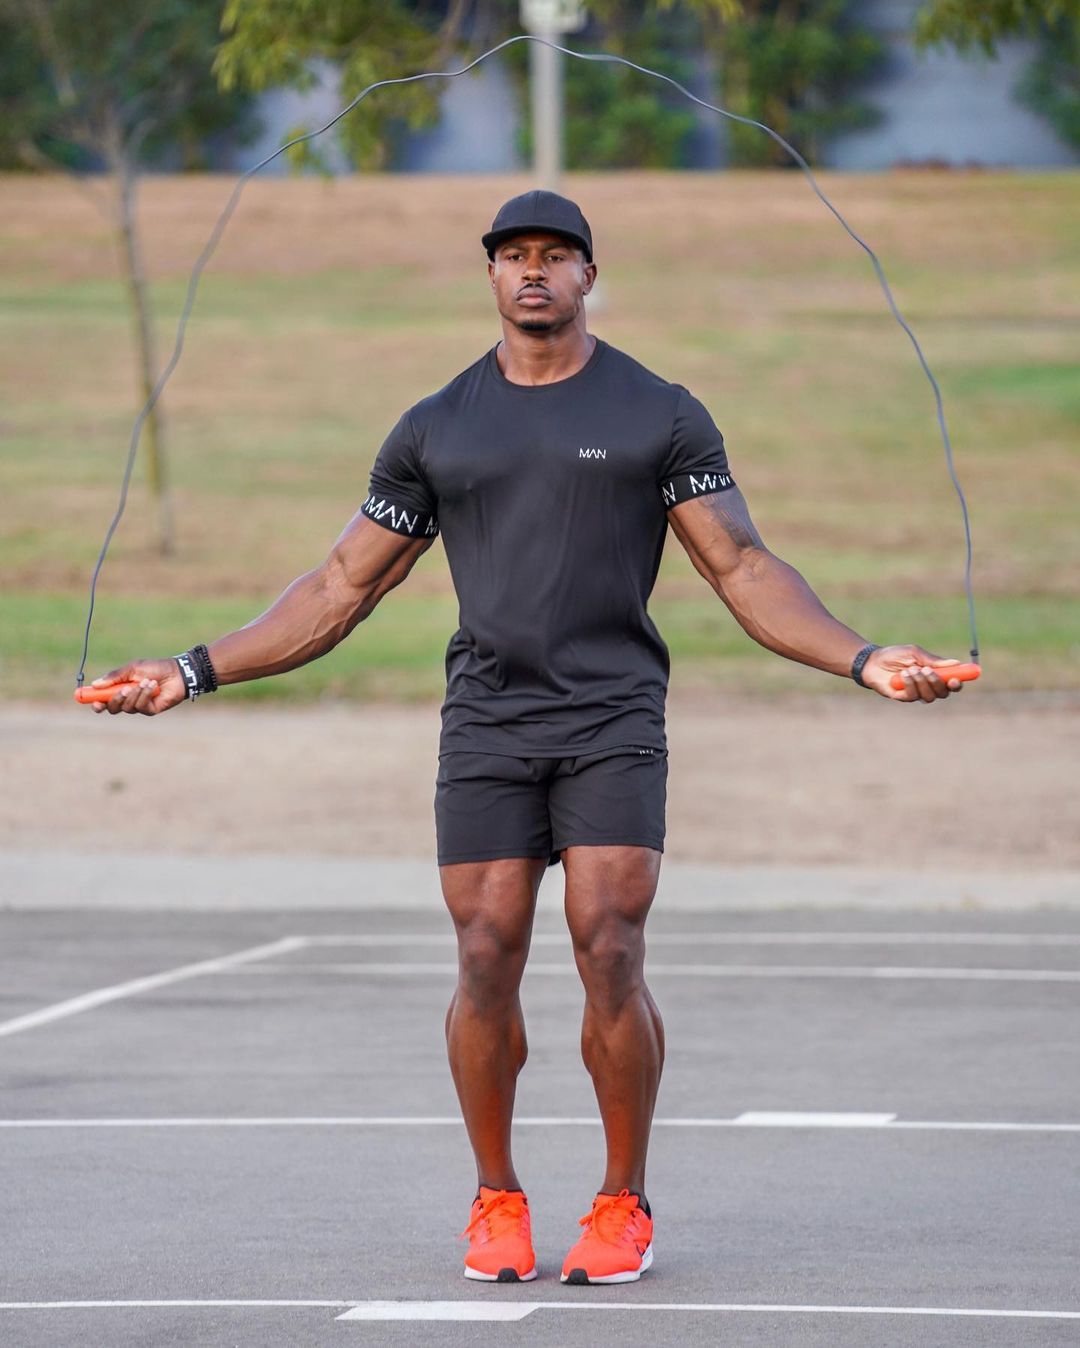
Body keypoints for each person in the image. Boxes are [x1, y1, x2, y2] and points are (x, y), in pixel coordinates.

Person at [86, 189, 966, 1287]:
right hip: (490, 720)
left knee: (610, 941)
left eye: (556, 255)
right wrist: (190, 669)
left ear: (591, 274)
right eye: (514, 255)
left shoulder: (659, 412)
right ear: (492, 275)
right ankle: (496, 1196)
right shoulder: (437, 427)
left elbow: (741, 566)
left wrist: (861, 656)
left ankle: (622, 1200)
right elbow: (339, 587)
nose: (534, 271)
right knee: (485, 950)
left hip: (612, 716)